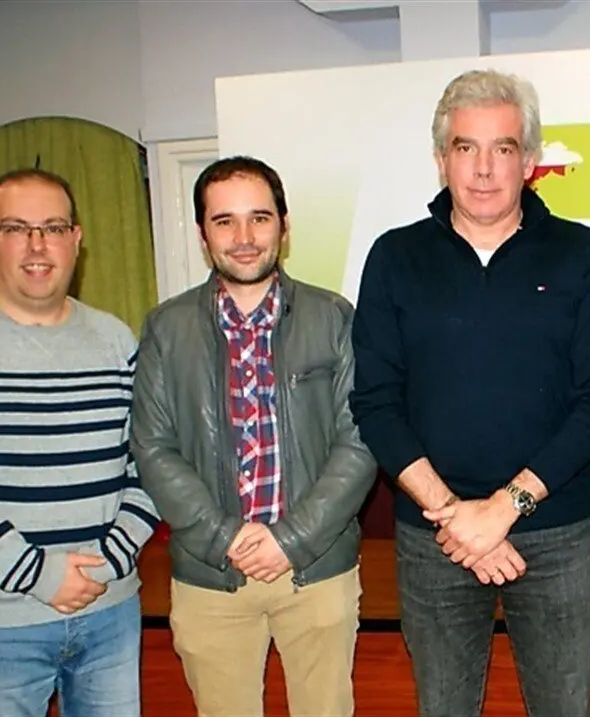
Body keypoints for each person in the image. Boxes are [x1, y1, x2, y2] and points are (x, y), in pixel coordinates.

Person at [349, 68, 590, 717]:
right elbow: (376, 405)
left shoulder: (579, 253)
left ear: (528, 161)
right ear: (441, 158)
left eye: (502, 148)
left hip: (557, 535)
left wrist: (503, 507)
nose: (482, 168)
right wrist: (456, 514)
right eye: (465, 147)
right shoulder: (394, 257)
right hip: (435, 537)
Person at [130, 155, 376, 717]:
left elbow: (359, 439)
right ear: (202, 234)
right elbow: (153, 447)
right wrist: (225, 538)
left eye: (259, 218)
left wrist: (290, 539)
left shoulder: (334, 317)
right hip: (211, 573)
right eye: (224, 221)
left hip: (316, 569)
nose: (243, 238)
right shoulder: (167, 328)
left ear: (284, 227)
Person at [0, 168, 159, 716]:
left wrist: (110, 561)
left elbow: (149, 463)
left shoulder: (115, 338)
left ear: (76, 238)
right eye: (17, 228)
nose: (37, 244)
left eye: (53, 227)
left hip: (110, 611)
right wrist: (36, 574)